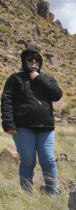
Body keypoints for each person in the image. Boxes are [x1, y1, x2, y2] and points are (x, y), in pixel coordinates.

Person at [1, 45, 62, 193]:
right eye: (30, 59)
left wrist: (39, 79)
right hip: (23, 128)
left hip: (46, 128)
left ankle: (52, 193)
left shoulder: (47, 78)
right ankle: (27, 194)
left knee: (48, 160)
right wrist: (8, 123)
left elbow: (57, 95)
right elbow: (6, 100)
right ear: (24, 61)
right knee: (28, 161)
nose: (34, 62)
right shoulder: (15, 79)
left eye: (37, 59)